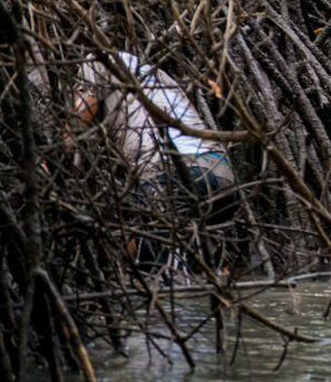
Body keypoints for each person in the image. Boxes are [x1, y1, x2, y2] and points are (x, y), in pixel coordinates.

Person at [75, 51, 238, 259]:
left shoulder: (96, 61)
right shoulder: (157, 75)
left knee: (160, 274)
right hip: (222, 174)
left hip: (170, 174)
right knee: (197, 269)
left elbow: (76, 123)